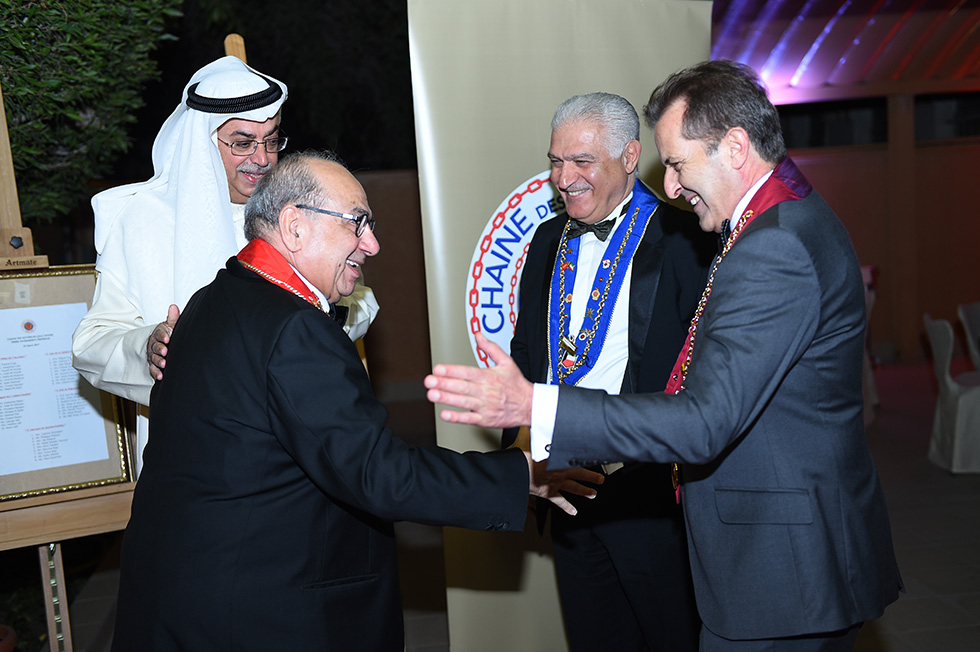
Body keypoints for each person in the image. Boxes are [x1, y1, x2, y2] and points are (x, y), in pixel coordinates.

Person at [425, 60, 903, 650]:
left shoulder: (770, 244)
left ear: (734, 147)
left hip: (773, 559)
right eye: (556, 161)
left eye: (676, 163)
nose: (671, 185)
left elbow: (706, 418)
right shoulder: (783, 222)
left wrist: (539, 407)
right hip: (711, 529)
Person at [109, 151, 602, 652]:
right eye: (357, 222)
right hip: (259, 612)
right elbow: (379, 474)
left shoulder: (209, 299)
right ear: (294, 227)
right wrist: (522, 474)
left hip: (182, 595)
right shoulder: (294, 328)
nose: (372, 244)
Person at [71, 56, 378, 476]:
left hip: (299, 451)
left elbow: (360, 304)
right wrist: (148, 348)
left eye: (271, 140)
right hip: (193, 460)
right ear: (203, 141)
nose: (262, 158)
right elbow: (91, 345)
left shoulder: (297, 214)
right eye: (243, 143)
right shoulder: (142, 219)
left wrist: (311, 325)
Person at [506, 92, 712, 651]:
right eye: (555, 161)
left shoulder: (686, 239)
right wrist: (522, 453)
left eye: (581, 161)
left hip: (649, 489)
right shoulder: (545, 241)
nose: (563, 178)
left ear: (629, 156)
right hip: (566, 485)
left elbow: (707, 372)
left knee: (673, 637)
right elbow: (527, 353)